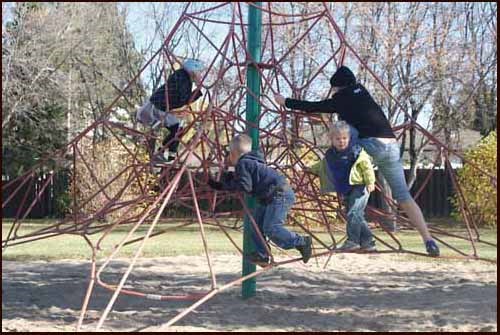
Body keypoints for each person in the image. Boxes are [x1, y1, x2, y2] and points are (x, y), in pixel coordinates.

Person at [274, 65, 440, 257]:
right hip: (391, 147)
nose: (333, 93)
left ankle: (342, 186)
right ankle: (428, 240)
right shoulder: (362, 93)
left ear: (338, 88)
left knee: (341, 135)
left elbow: (315, 106)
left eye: (334, 89)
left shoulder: (342, 98)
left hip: (370, 144)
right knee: (403, 197)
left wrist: (285, 101)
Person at [206, 134, 312, 266]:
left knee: (271, 228)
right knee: (255, 226)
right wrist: (229, 180)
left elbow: (245, 186)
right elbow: (248, 180)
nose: (227, 158)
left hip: (279, 195)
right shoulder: (252, 161)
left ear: (234, 154)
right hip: (269, 196)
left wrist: (222, 185)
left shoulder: (242, 163)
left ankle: (301, 241)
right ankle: (262, 255)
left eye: (228, 154)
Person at [308, 121, 377, 251]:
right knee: (355, 215)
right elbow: (323, 166)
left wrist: (370, 182)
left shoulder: (356, 151)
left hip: (360, 186)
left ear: (349, 138)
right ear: (331, 139)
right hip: (346, 188)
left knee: (354, 212)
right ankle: (368, 242)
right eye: (338, 139)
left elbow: (367, 166)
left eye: (344, 138)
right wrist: (309, 169)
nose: (341, 141)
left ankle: (353, 241)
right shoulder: (331, 155)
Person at [136, 58, 204, 164]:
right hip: (157, 107)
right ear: (193, 71)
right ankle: (165, 155)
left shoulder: (182, 77)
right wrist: (198, 90)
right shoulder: (183, 79)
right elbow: (184, 99)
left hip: (159, 106)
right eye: (200, 72)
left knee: (177, 129)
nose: (201, 75)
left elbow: (178, 99)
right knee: (177, 128)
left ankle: (166, 154)